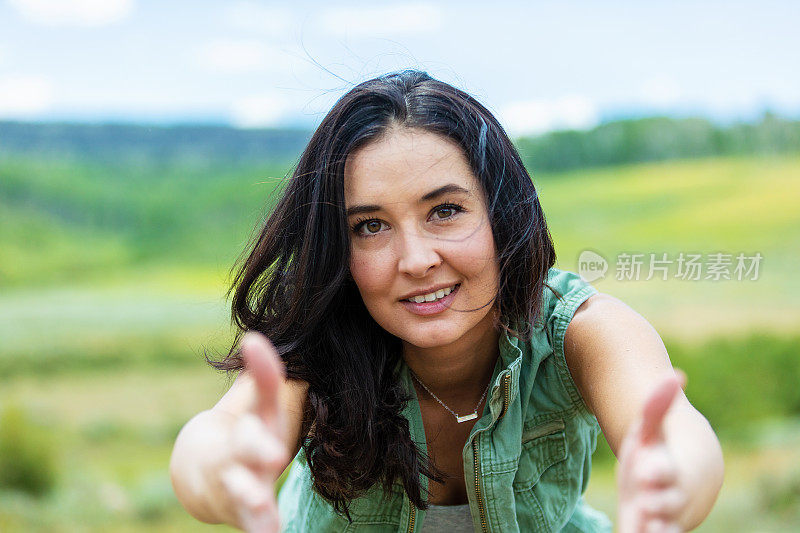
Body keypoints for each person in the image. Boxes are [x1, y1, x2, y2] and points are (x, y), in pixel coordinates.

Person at [169, 70, 724, 532]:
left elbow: (675, 432)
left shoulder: (577, 328)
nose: (414, 259)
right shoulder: (321, 339)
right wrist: (222, 471)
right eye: (370, 226)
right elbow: (213, 443)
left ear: (501, 214)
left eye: (445, 211)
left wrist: (672, 481)